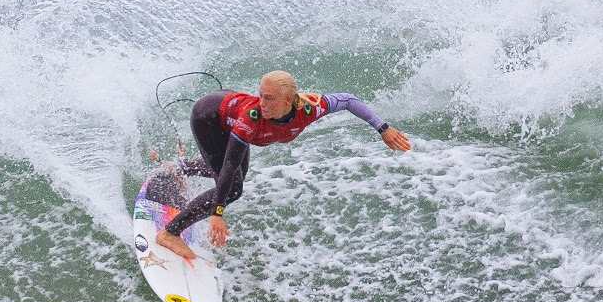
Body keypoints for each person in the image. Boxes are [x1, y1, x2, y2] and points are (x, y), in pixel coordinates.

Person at [155, 70, 412, 260]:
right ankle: (169, 234)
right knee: (232, 188)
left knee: (233, 175)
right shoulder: (251, 118)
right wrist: (217, 213)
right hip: (209, 117)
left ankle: (180, 167)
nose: (262, 103)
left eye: (269, 99)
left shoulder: (309, 108)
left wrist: (383, 128)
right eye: (260, 95)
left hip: (225, 108)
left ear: (289, 100)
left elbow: (348, 100)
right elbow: (231, 163)